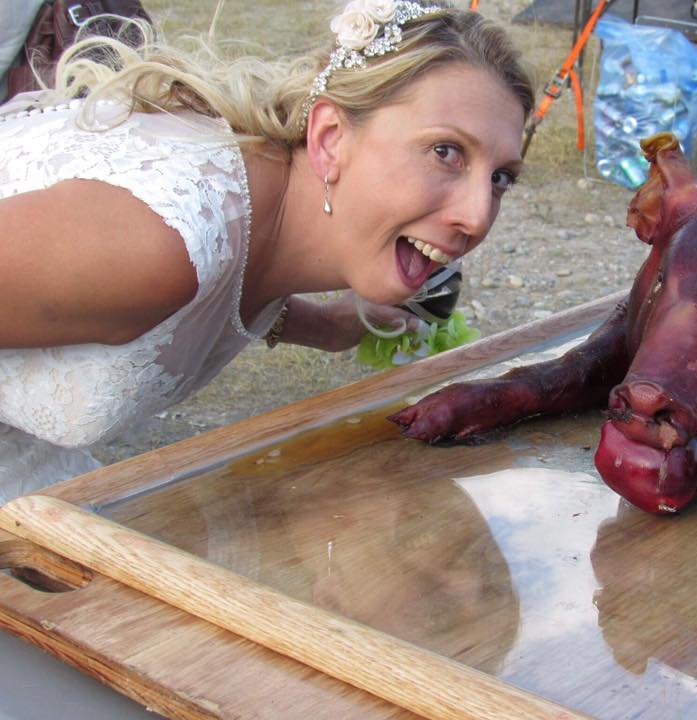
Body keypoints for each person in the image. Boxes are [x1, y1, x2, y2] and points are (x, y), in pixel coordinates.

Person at [0, 0, 535, 503]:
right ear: (329, 138)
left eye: (501, 178)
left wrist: (323, 326)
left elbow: (225, 293)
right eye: (446, 152)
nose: (477, 215)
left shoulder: (266, 216)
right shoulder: (157, 246)